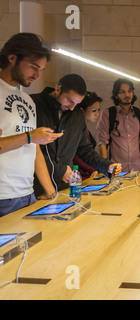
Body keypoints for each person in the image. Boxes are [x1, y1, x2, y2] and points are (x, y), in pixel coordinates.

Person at [0, 33, 62, 217]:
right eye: (34, 67)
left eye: (41, 70)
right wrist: (29, 136)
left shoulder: (27, 100)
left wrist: (51, 192)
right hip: (3, 197)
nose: (37, 75)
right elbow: (30, 139)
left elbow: (34, 149)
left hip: (27, 195)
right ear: (12, 58)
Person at [31, 74, 121, 196]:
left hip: (65, 187)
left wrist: (107, 166)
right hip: (35, 187)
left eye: (77, 103)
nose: (72, 107)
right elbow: (29, 149)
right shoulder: (33, 104)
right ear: (58, 89)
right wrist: (60, 170)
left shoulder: (77, 116)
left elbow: (84, 150)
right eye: (69, 101)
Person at [97, 78, 140, 172]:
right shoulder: (108, 114)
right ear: (116, 95)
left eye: (130, 91)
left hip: (136, 170)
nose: (127, 95)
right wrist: (105, 169)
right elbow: (102, 144)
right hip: (116, 170)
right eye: (122, 92)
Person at [73, 91, 103, 180]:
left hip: (89, 174)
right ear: (82, 110)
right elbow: (75, 156)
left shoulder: (85, 128)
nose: (97, 114)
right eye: (94, 111)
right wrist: (92, 169)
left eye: (98, 110)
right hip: (80, 176)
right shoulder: (76, 130)